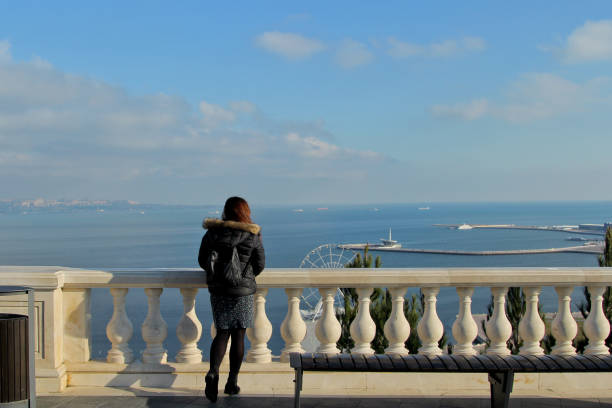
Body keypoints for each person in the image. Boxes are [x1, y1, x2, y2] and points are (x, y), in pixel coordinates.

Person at [198, 196, 265, 402]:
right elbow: (260, 264)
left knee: (222, 332)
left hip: (219, 291)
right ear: (245, 212)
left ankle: (213, 372)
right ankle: (232, 382)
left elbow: (202, 261)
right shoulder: (252, 235)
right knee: (239, 336)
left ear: (226, 211)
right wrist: (244, 275)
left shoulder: (212, 233)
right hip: (242, 292)